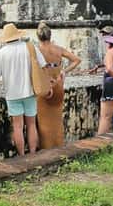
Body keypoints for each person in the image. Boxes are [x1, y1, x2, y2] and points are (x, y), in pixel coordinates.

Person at [0, 23, 47, 156]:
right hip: (30, 92)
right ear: (18, 35)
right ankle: (32, 153)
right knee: (31, 124)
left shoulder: (1, 54)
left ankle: (22, 156)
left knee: (18, 127)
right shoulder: (30, 48)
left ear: (6, 38)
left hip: (13, 94)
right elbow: (43, 66)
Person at [34, 21, 82, 149]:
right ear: (50, 35)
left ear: (38, 36)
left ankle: (47, 149)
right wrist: (63, 71)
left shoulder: (37, 50)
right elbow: (77, 60)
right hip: (58, 85)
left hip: (44, 86)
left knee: (44, 122)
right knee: (57, 120)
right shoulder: (58, 49)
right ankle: (59, 146)